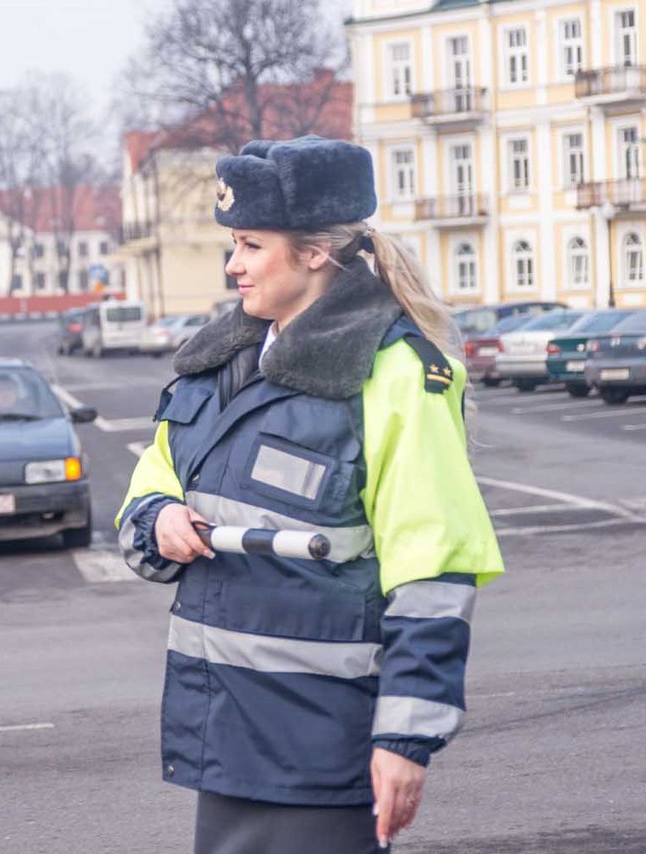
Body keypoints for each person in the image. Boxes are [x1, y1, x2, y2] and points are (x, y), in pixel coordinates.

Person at [116, 136, 504, 853]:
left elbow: (434, 569)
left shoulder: (394, 375)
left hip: (325, 748)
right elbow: (154, 476)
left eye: (252, 245)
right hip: (222, 740)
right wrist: (157, 516)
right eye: (233, 244)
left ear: (316, 253)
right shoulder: (219, 364)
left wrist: (405, 740)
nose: (232, 264)